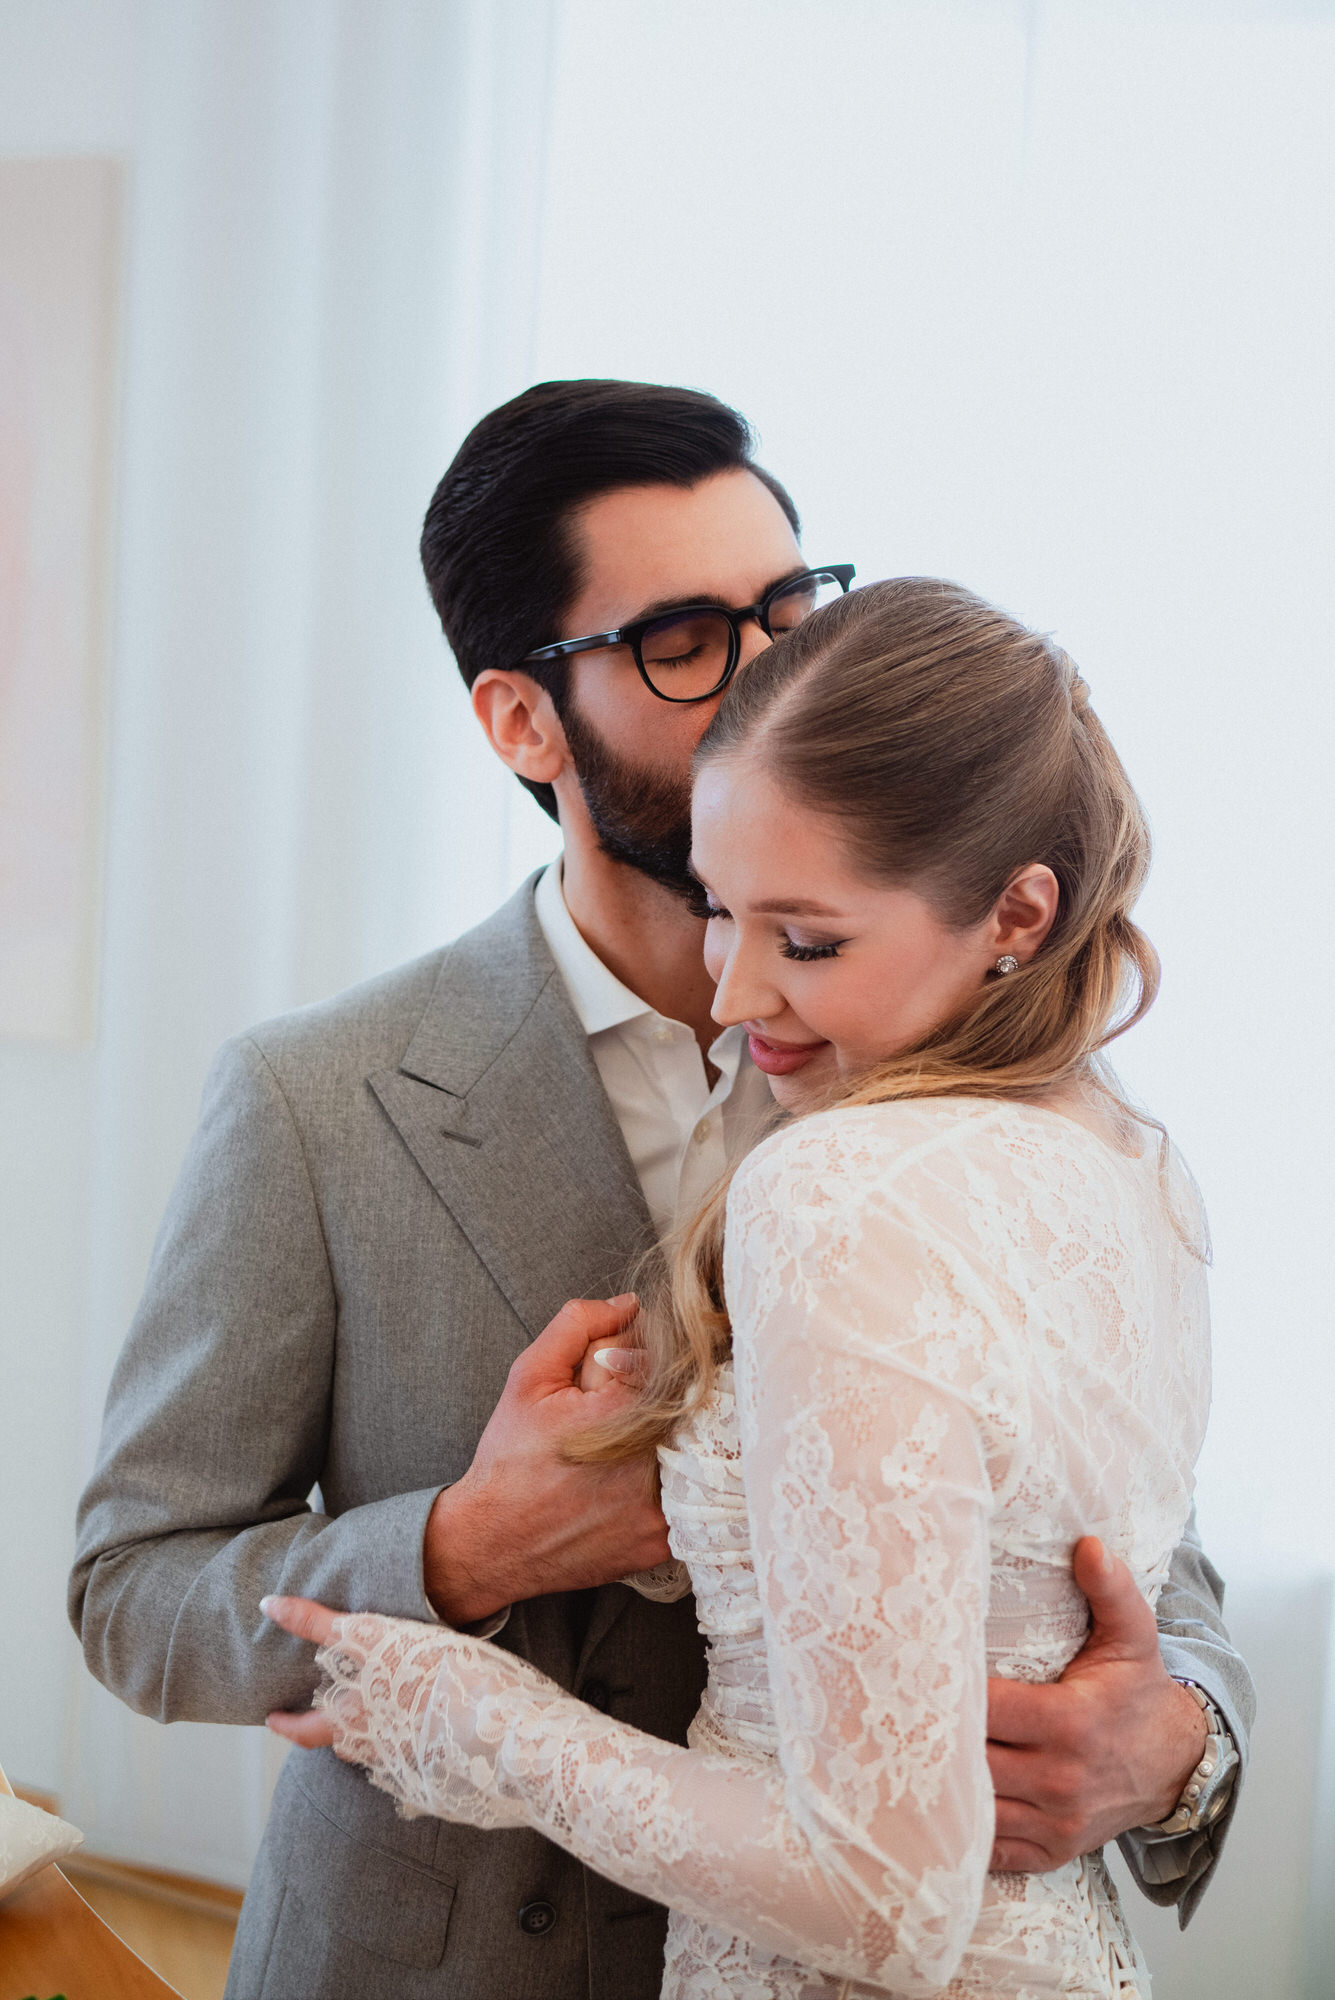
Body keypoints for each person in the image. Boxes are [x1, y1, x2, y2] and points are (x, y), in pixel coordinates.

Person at [70, 383, 1250, 2000]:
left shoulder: (1000, 1080)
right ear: (518, 721)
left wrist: (1174, 1737)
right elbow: (133, 1591)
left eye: (789, 603)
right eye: (687, 640)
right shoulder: (318, 1095)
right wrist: (462, 1551)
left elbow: (1125, 1546)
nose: (774, 672)